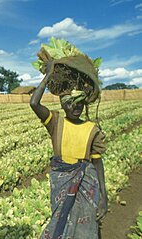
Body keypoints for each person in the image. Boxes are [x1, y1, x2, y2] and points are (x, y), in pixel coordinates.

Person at [30, 62, 108, 239]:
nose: (76, 108)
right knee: (60, 221)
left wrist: (104, 197)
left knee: (86, 224)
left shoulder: (92, 129)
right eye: (70, 103)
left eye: (80, 103)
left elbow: (97, 163)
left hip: (86, 184)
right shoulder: (56, 123)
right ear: (62, 105)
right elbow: (34, 103)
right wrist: (49, 74)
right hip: (62, 182)